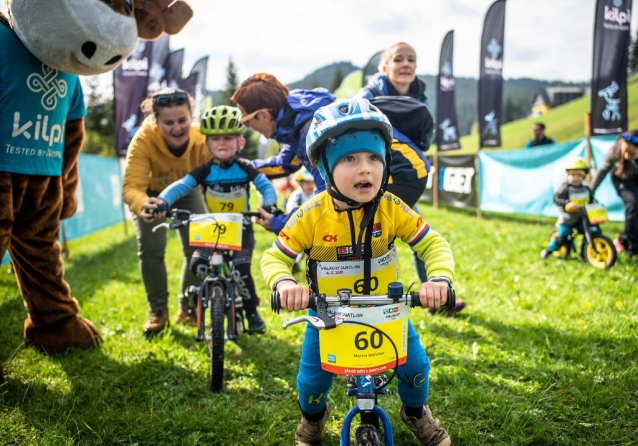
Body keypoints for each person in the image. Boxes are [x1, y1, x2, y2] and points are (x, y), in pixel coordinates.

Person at [262, 98, 453, 446]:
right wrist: (285, 282)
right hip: (326, 314)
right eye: (349, 158)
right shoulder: (310, 215)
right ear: (323, 167)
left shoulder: (392, 207)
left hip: (387, 311)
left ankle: (415, 412)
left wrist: (438, 278)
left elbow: (432, 244)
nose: (364, 168)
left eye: (373, 157)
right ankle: (313, 420)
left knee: (415, 368)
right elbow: (274, 257)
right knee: (311, 383)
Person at [141, 106, 278, 333]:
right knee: (198, 265)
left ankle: (251, 311)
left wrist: (268, 204)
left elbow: (265, 186)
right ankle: (204, 299)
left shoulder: (246, 168)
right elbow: (182, 186)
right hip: (211, 231)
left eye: (228, 138)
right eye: (215, 139)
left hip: (240, 231)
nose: (221, 143)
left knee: (241, 271)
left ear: (240, 143)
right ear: (207, 145)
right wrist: (163, 201)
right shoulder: (204, 171)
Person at [356, 42, 466, 316]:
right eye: (398, 59)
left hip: (401, 180)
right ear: (384, 67)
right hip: (367, 179)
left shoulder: (421, 98)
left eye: (411, 60)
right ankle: (356, 300)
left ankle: (435, 297)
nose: (405, 64)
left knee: (418, 235)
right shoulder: (367, 95)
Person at [122, 88, 211, 335]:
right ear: (156, 121)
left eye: (182, 120)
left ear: (191, 117)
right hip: (151, 194)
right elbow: (131, 187)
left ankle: (188, 308)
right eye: (168, 122)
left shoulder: (202, 138)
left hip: (187, 191)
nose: (176, 128)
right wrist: (142, 203)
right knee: (151, 248)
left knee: (199, 247)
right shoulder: (143, 140)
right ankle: (158, 310)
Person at [230, 73, 335, 233]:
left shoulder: (310, 133)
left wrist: (282, 223)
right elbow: (285, 164)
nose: (247, 127)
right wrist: (241, 168)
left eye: (245, 120)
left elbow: (328, 202)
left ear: (263, 116)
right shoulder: (296, 121)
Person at [590, 130, 638, 257]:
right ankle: (634, 250)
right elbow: (603, 170)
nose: (627, 156)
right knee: (632, 206)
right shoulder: (615, 151)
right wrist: (591, 190)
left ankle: (622, 240)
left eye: (632, 153)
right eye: (625, 152)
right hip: (622, 177)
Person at [541, 158, 595, 259]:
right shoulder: (565, 189)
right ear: (568, 175)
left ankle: (584, 254)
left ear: (583, 176)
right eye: (573, 175)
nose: (575, 178)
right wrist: (566, 204)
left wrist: (594, 202)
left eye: (579, 175)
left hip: (581, 218)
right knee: (562, 238)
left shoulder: (586, 190)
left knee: (588, 233)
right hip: (567, 219)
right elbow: (557, 199)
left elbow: (590, 199)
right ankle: (549, 249)